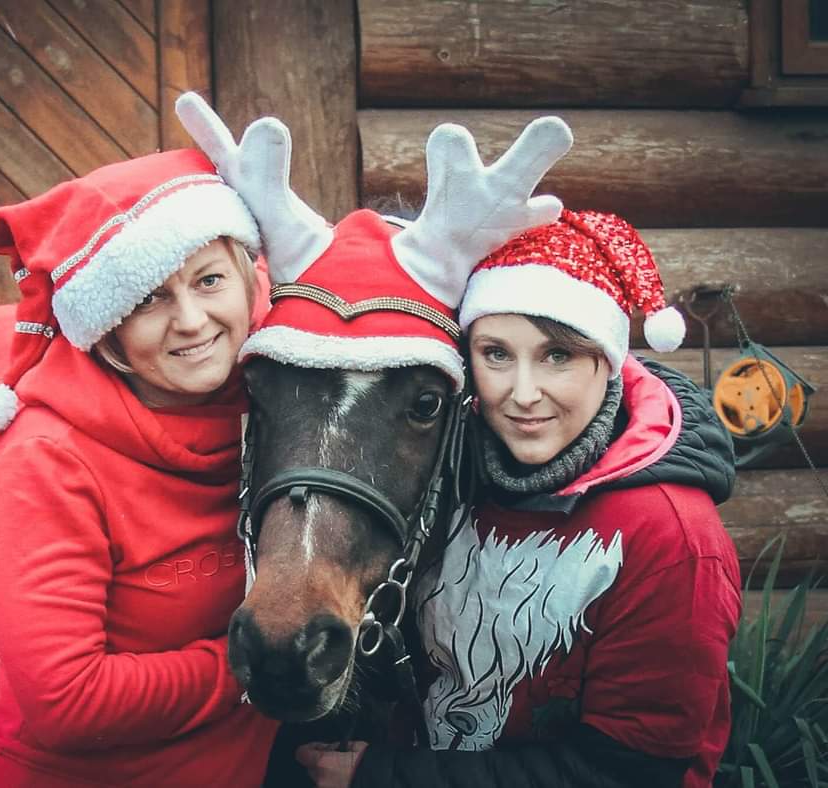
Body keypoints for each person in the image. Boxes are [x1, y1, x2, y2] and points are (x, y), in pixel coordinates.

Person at [298, 210, 741, 788]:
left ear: (608, 360)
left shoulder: (670, 538)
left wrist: (383, 776)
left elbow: (629, 771)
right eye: (497, 354)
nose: (523, 394)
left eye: (557, 356)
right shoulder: (454, 470)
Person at [0, 149, 279, 787]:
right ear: (107, 325)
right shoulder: (50, 456)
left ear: (248, 279)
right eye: (149, 298)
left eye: (209, 280)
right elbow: (66, 701)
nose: (192, 321)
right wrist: (258, 666)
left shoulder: (281, 405)